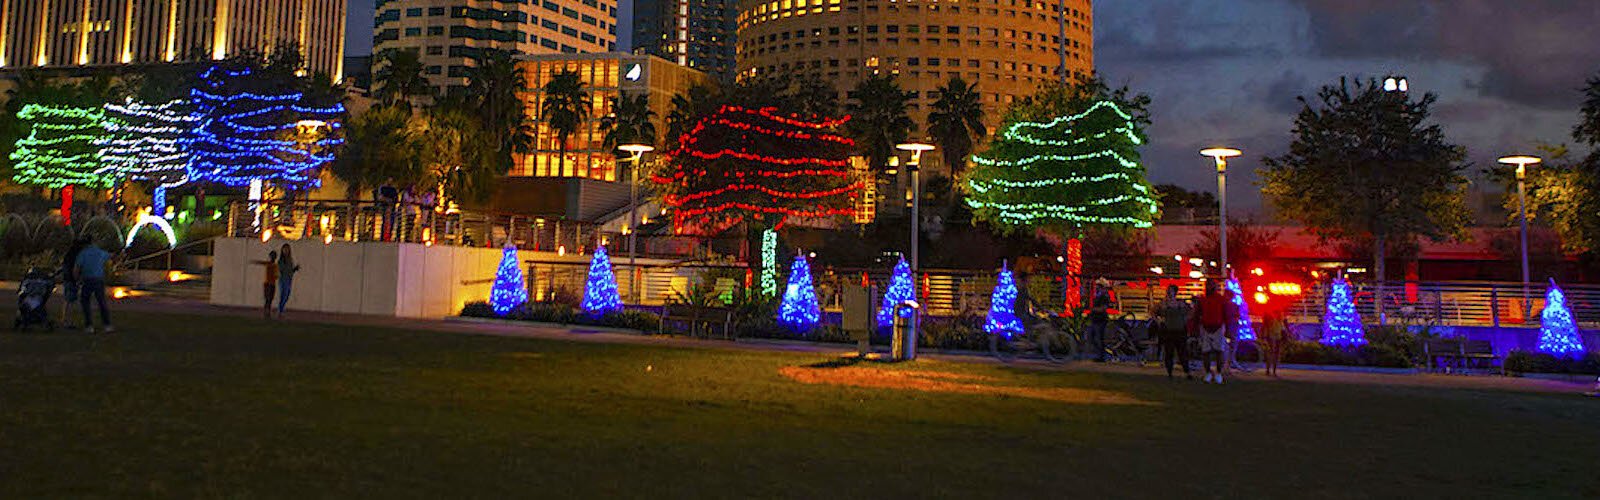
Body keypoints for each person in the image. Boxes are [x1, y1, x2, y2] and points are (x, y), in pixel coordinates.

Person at [1189, 279, 1232, 384]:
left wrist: (1228, 329)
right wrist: (1194, 329)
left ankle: (1218, 373)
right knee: (1206, 352)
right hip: (1205, 327)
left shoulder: (1221, 299)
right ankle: (1208, 372)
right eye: (1207, 285)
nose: (1209, 287)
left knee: (1219, 352)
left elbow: (1226, 315)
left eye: (1211, 285)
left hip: (1218, 328)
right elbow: (1196, 315)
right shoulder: (1202, 300)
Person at [73, 238, 113, 333]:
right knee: (101, 302)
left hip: (87, 279)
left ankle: (89, 325)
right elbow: (110, 258)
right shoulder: (100, 252)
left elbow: (77, 268)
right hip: (99, 279)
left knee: (85, 302)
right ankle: (107, 325)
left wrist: (76, 279)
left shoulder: (83, 253)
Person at [1153, 284, 1193, 380]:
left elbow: (1190, 312)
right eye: (1168, 291)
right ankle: (1170, 372)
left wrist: (1185, 320)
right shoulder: (1163, 304)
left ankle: (1186, 371)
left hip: (1179, 330)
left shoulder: (1180, 304)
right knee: (1169, 352)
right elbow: (1153, 312)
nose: (1169, 293)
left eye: (1170, 291)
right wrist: (1158, 320)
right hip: (1169, 330)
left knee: (1182, 352)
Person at [59, 238, 86, 328]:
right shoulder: (76, 256)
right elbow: (76, 269)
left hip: (67, 279)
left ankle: (65, 319)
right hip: (72, 280)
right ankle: (67, 321)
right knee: (70, 301)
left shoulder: (68, 255)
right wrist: (77, 279)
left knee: (67, 300)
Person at [1085, 277, 1114, 361]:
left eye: (1099, 286)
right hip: (1096, 319)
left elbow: (1103, 308)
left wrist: (1093, 309)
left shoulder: (1104, 296)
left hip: (1100, 319)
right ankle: (1099, 354)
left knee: (1099, 338)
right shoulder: (1098, 295)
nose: (1097, 287)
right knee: (1094, 337)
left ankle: (1101, 356)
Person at [1260, 310, 1289, 378]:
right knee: (1272, 353)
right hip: (1272, 336)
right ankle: (1269, 370)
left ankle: (1273, 370)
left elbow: (1283, 329)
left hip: (1277, 336)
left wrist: (1286, 335)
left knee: (1276, 353)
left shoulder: (1280, 321)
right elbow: (1266, 327)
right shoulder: (1272, 319)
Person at [275, 243, 300, 318]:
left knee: (287, 295)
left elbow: (290, 270)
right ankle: (280, 311)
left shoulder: (290, 260)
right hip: (283, 279)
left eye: (287, 249)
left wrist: (294, 269)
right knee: (283, 294)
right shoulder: (281, 260)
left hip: (288, 278)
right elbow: (281, 270)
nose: (286, 251)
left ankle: (281, 310)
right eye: (285, 249)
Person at [260, 251, 279, 319]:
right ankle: (266, 311)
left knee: (269, 299)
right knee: (268, 299)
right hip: (269, 283)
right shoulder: (271, 264)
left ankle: (267, 311)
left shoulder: (274, 265)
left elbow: (276, 276)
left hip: (271, 284)